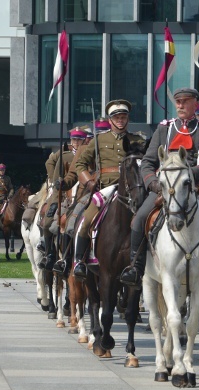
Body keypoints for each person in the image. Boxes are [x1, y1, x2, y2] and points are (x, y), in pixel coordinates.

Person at [120, 88, 199, 287]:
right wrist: (154, 184)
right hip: (164, 188)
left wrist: (189, 176)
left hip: (196, 187)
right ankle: (136, 267)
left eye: (185, 101)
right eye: (178, 102)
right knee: (139, 219)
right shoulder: (164, 129)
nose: (180, 105)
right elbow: (147, 162)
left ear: (195, 104)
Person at [67, 99, 146, 280]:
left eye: (123, 116)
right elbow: (80, 164)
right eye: (116, 117)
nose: (120, 120)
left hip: (134, 189)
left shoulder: (138, 140)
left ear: (128, 119)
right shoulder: (98, 140)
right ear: (110, 120)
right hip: (108, 188)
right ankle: (78, 260)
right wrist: (88, 181)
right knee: (84, 218)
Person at [38, 127, 84, 268]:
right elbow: (53, 169)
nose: (76, 142)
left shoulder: (87, 154)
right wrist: (55, 181)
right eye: (74, 139)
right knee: (47, 221)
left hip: (81, 193)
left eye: (79, 139)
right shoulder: (65, 155)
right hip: (62, 192)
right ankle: (49, 253)